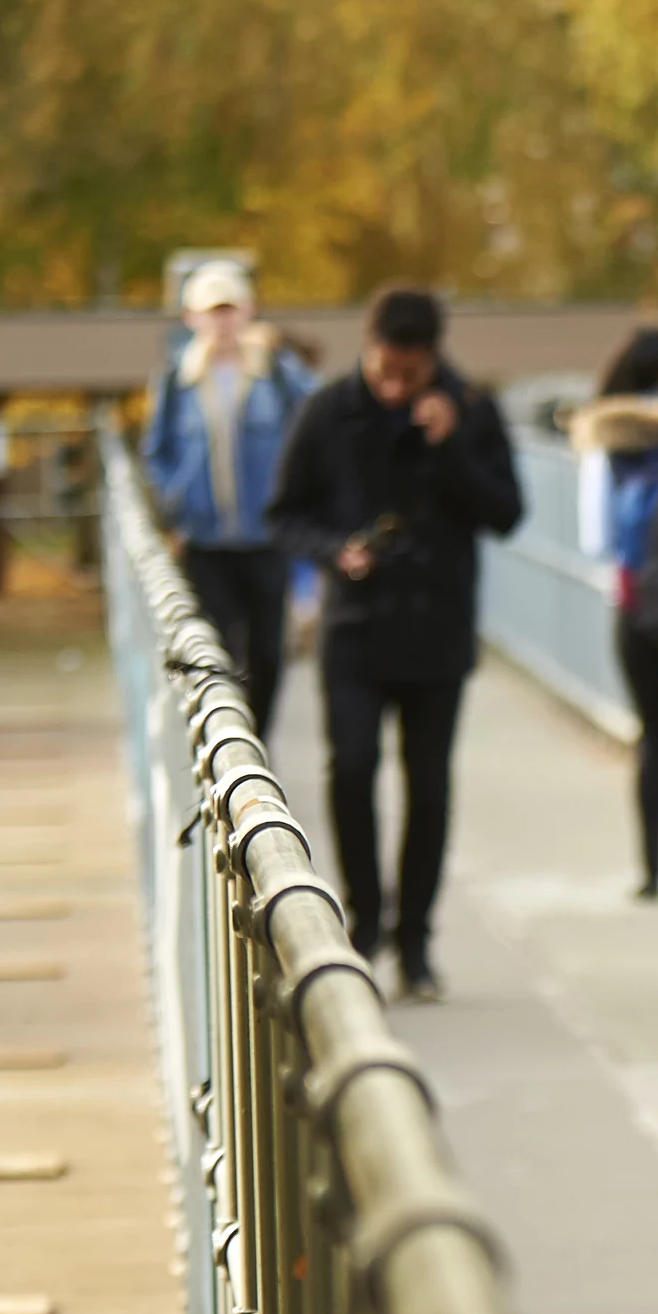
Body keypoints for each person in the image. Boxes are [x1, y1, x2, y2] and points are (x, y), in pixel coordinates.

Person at [265, 286, 526, 1002]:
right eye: (385, 370)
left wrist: (449, 451)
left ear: (432, 360)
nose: (394, 386)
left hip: (436, 625)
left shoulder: (469, 411)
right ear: (368, 345)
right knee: (350, 769)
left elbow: (505, 513)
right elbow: (284, 514)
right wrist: (333, 551)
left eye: (409, 374)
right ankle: (364, 927)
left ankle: (416, 943)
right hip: (355, 624)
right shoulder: (327, 411)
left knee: (429, 787)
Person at [138, 260, 314, 734]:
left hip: (265, 538)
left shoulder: (276, 373)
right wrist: (174, 512)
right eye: (211, 311)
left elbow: (314, 427)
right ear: (192, 317)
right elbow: (156, 453)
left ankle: (260, 743)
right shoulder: (178, 381)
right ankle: (228, 744)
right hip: (206, 542)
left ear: (247, 312)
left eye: (230, 310)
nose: (222, 322)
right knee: (219, 653)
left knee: (269, 655)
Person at [568, 325, 658, 900]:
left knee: (652, 736)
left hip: (634, 603)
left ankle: (651, 872)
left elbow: (596, 537)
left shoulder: (607, 432)